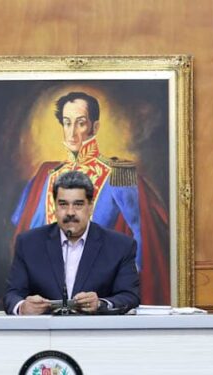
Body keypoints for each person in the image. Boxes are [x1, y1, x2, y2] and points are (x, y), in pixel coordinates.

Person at [11, 91, 169, 304]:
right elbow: (29, 240)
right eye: (67, 123)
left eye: (80, 123)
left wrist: (115, 300)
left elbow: (142, 244)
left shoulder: (119, 174)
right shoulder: (46, 174)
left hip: (100, 301)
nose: (72, 133)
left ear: (94, 127)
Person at [4, 171, 140, 315]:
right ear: (55, 207)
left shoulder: (120, 246)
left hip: (95, 333)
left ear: (90, 207)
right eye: (63, 204)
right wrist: (22, 307)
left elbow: (129, 296)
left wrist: (100, 303)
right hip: (45, 333)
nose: (70, 212)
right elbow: (12, 295)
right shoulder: (29, 243)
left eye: (78, 204)